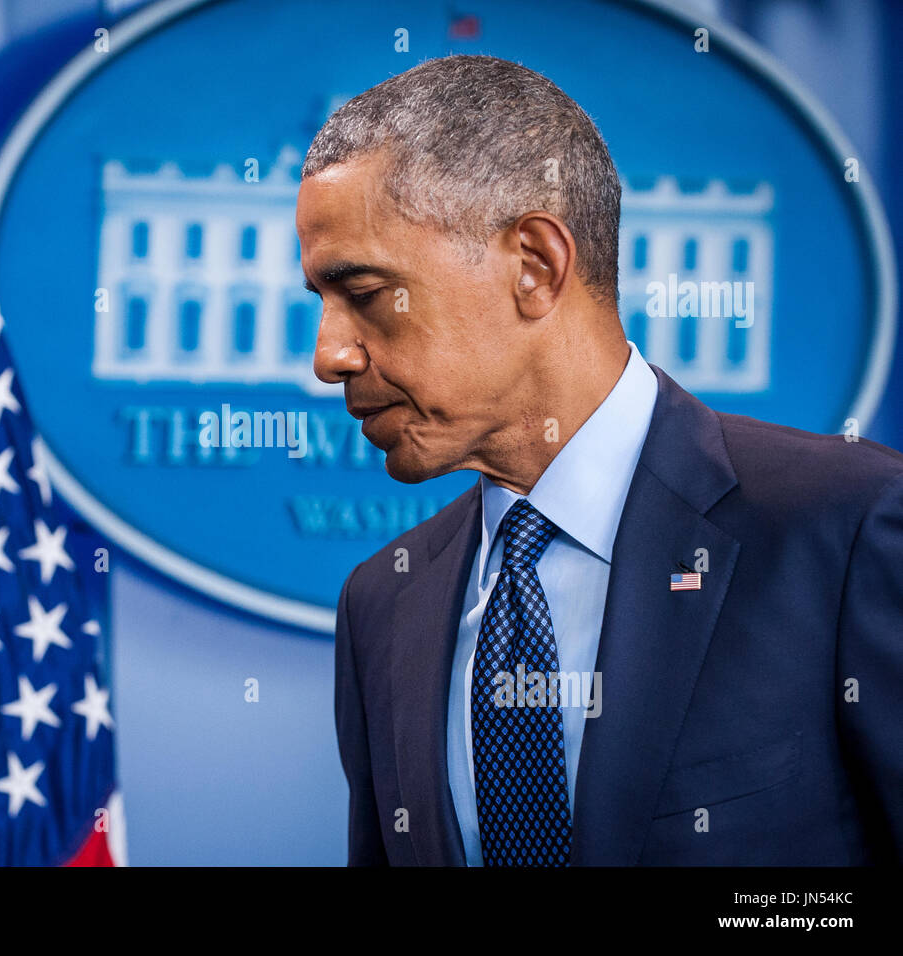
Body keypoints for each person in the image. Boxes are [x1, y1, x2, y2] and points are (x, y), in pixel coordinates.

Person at [298, 54, 903, 866]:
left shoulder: (849, 528)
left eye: (366, 293)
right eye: (322, 304)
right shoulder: (382, 603)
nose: (329, 354)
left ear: (535, 266)